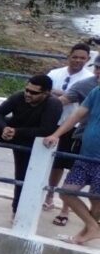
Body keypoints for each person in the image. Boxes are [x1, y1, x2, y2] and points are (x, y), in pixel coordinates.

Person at [0, 74, 64, 214]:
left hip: (31, 140)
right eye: (27, 90)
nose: (28, 94)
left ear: (46, 93)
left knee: (22, 177)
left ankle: (17, 210)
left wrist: (16, 132)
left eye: (34, 93)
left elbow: (46, 129)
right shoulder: (19, 96)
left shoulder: (53, 104)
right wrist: (4, 127)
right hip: (13, 132)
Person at [43, 78, 100, 245]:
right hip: (86, 155)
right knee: (67, 191)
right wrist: (56, 134)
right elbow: (76, 115)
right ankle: (93, 227)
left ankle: (84, 234)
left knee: (97, 201)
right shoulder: (96, 92)